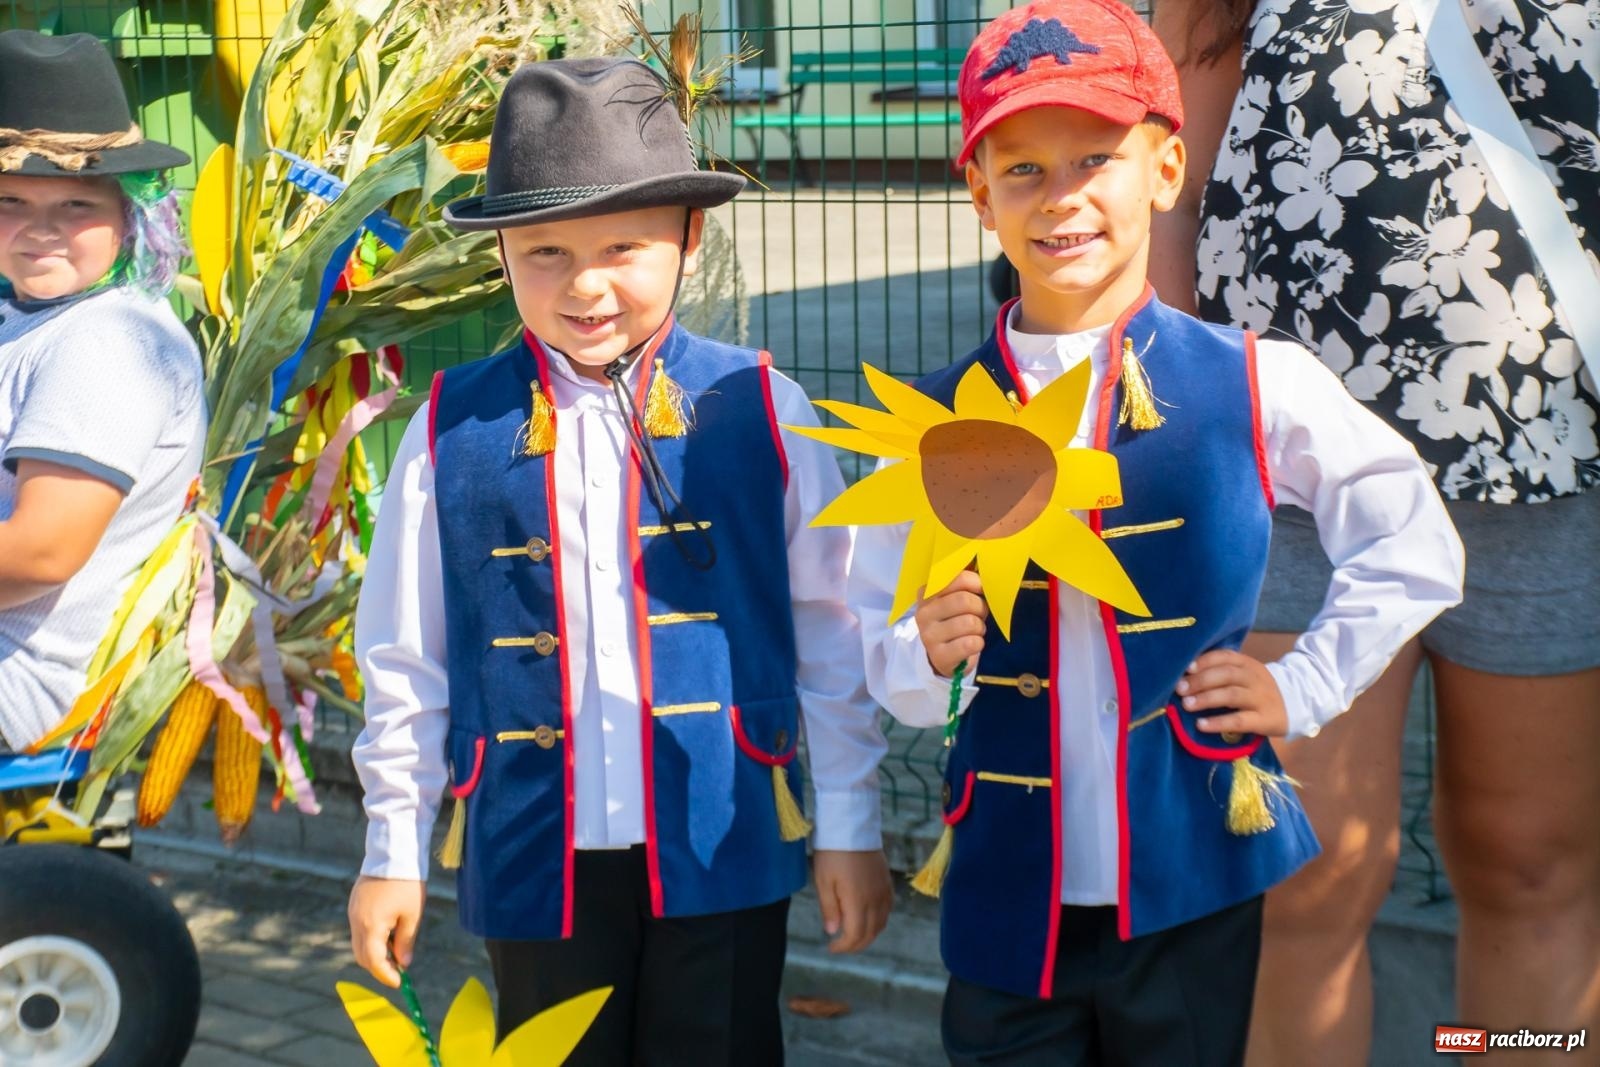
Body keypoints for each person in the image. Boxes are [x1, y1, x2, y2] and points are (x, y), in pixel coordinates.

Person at [848, 1, 1464, 1062]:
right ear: (980, 194)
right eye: (1023, 169)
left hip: (1189, 880)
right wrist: (924, 652)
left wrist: (1305, 683)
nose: (1062, 196)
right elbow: (887, 656)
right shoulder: (929, 422)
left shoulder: (1257, 381)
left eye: (1096, 157)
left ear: (1166, 169)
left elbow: (1415, 542)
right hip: (1005, 893)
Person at [346, 56, 893, 1064]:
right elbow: (404, 657)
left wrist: (850, 824)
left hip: (725, 835)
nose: (585, 284)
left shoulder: (766, 411)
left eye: (622, 246)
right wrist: (392, 849)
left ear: (688, 236)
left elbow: (831, 631)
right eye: (545, 250)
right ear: (501, 252)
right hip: (531, 850)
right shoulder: (447, 428)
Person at [1149, 0, 1600, 1061]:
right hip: (1288, 476)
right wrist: (1173, 427)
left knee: (1531, 862)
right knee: (1299, 875)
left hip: (1548, 456)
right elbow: (1174, 186)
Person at [0, 30, 203, 754]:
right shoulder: (31, 314)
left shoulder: (108, 341)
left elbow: (41, 554)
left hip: (16, 675)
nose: (40, 231)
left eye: (76, 205)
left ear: (131, 212)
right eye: (10, 199)